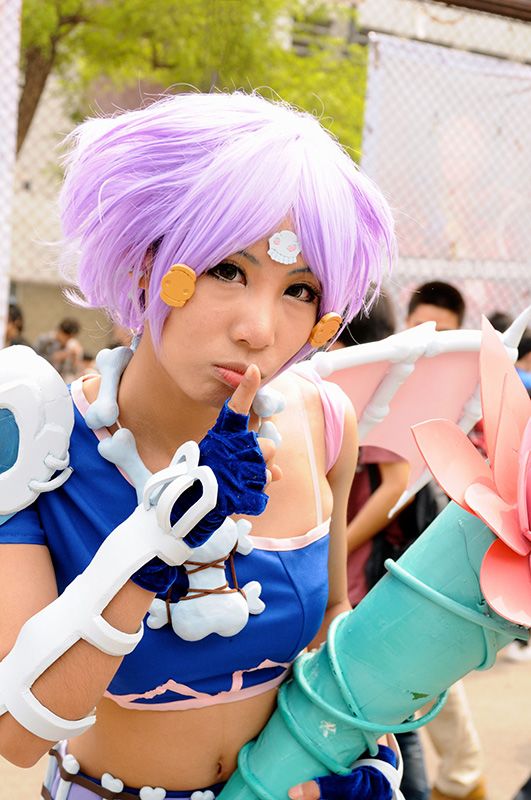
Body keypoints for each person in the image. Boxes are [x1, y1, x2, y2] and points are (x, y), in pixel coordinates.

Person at [0, 92, 399, 800]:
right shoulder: (36, 442)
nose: (258, 329)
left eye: (300, 290)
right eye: (227, 270)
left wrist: (362, 746)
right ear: (147, 262)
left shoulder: (323, 420)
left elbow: (328, 626)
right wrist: (159, 538)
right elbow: (17, 734)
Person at [334, 294, 430, 800]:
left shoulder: (368, 386)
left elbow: (396, 483)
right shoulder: (382, 381)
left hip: (359, 574)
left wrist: (335, 546)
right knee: (388, 712)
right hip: (363, 572)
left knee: (387, 718)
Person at [406, 281, 486, 800]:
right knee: (423, 673)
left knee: (430, 673)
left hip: (436, 549)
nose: (427, 340)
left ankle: (462, 777)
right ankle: (462, 777)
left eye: (441, 332)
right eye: (419, 327)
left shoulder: (468, 397)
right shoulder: (387, 383)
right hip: (393, 551)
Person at [34, 317, 84, 382]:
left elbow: (73, 372)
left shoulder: (72, 346)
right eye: (67, 337)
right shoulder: (45, 341)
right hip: (42, 378)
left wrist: (75, 359)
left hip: (62, 381)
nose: (68, 340)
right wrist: (53, 358)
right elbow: (34, 359)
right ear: (60, 331)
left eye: (71, 338)